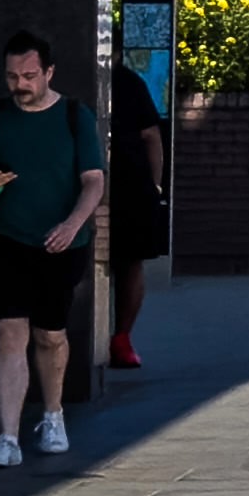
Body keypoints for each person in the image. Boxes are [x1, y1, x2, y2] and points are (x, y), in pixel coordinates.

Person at [0, 25, 106, 460]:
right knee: (8, 334)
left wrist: (72, 224)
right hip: (5, 240)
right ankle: (7, 438)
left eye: (28, 76)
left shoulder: (75, 116)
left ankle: (53, 414)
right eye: (12, 76)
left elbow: (94, 181)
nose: (19, 85)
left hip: (59, 244)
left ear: (48, 73)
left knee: (49, 335)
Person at [102, 47, 173, 370]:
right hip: (131, 185)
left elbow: (151, 135)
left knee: (125, 262)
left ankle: (116, 337)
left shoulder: (123, 82)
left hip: (117, 184)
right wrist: (155, 186)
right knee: (130, 263)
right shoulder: (131, 82)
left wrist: (154, 187)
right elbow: (151, 136)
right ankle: (121, 338)